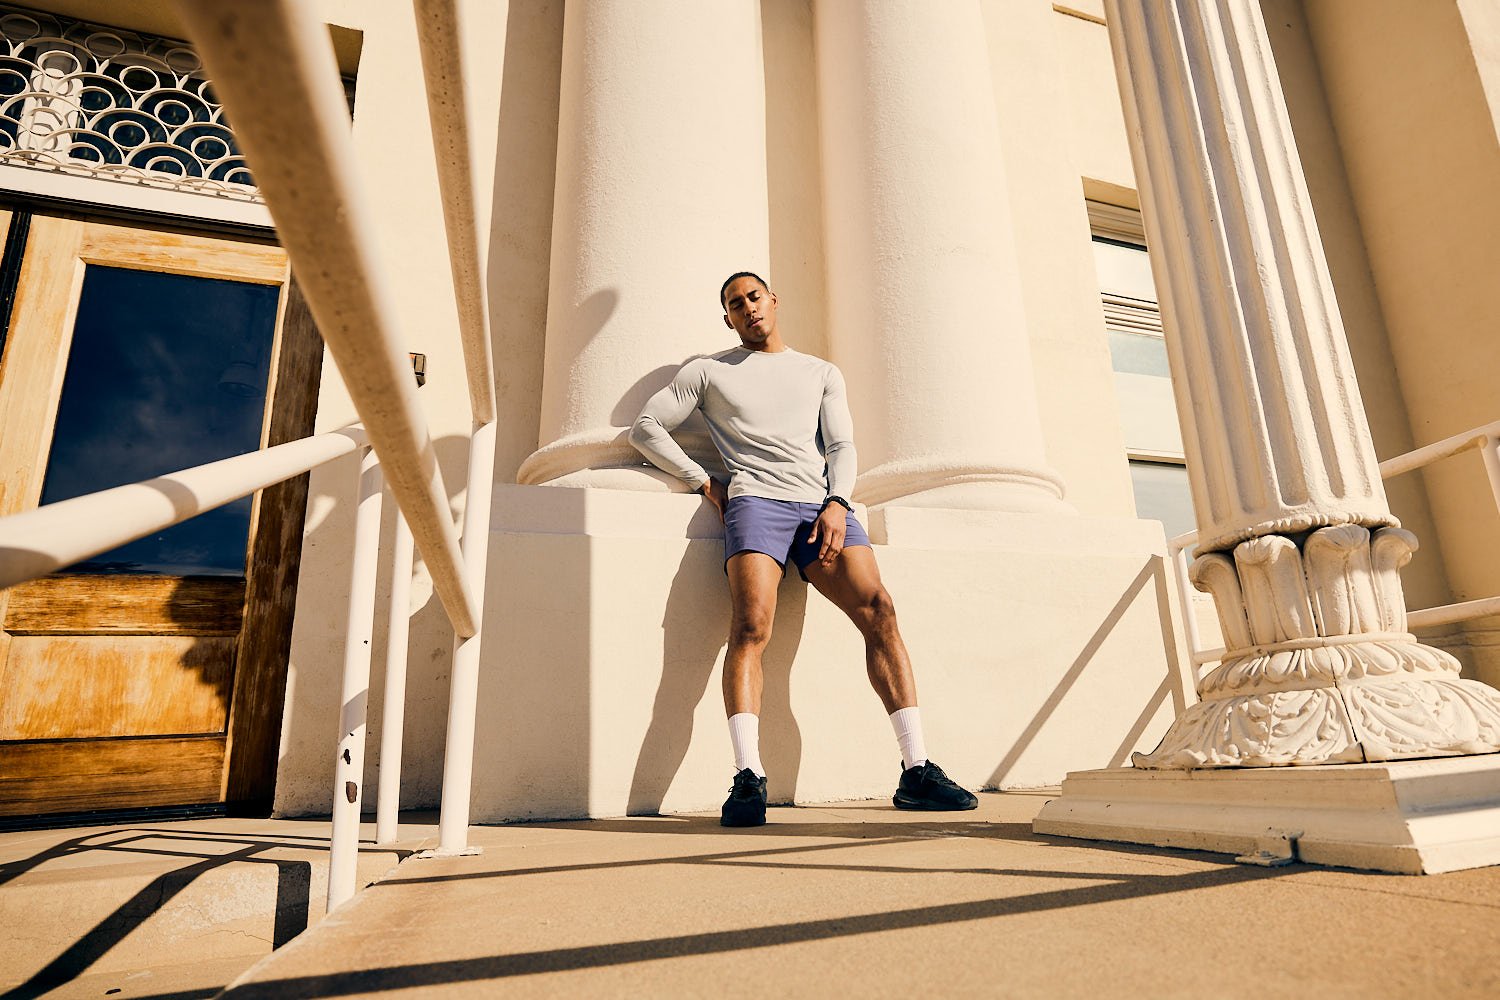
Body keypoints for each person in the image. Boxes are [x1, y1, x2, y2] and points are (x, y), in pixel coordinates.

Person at [629, 271, 978, 827]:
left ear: (772, 300)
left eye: (753, 297)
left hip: (820, 508)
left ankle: (916, 770)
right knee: (750, 627)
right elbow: (645, 427)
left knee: (880, 610)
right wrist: (702, 481)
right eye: (735, 304)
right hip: (755, 504)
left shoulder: (819, 372)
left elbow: (841, 445)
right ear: (728, 318)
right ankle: (748, 777)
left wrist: (838, 502)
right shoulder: (708, 371)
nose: (747, 308)